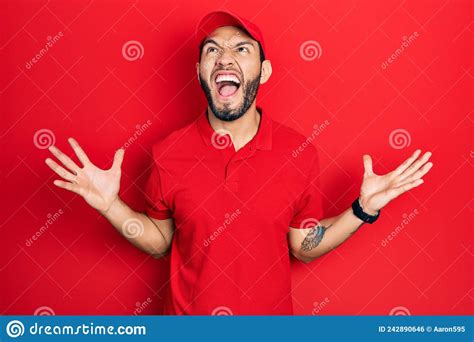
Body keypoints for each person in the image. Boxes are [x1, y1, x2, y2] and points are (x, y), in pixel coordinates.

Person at [44, 10, 434, 315]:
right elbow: (163, 243)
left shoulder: (298, 152)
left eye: (241, 49)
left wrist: (363, 209)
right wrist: (112, 206)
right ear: (200, 72)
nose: (223, 58)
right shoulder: (167, 152)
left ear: (262, 72)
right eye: (211, 50)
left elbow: (303, 245)